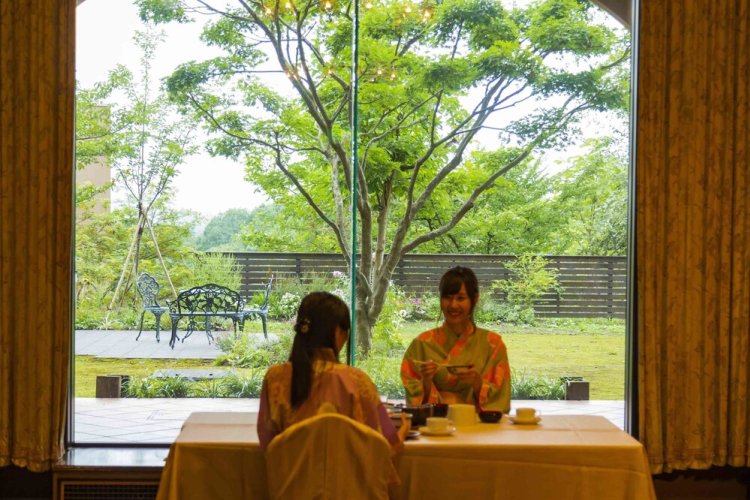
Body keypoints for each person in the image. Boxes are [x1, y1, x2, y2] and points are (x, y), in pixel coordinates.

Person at [257, 291, 407, 453]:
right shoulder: (357, 382)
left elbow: (268, 444)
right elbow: (384, 446)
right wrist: (403, 432)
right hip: (347, 471)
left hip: (289, 470)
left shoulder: (275, 378)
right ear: (337, 332)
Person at [400, 266, 511, 412]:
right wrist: (426, 383)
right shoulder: (421, 344)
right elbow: (414, 401)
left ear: (474, 299)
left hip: (478, 424)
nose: (453, 305)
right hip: (434, 424)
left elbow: (500, 400)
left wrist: (478, 384)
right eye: (447, 297)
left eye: (460, 298)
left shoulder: (493, 344)